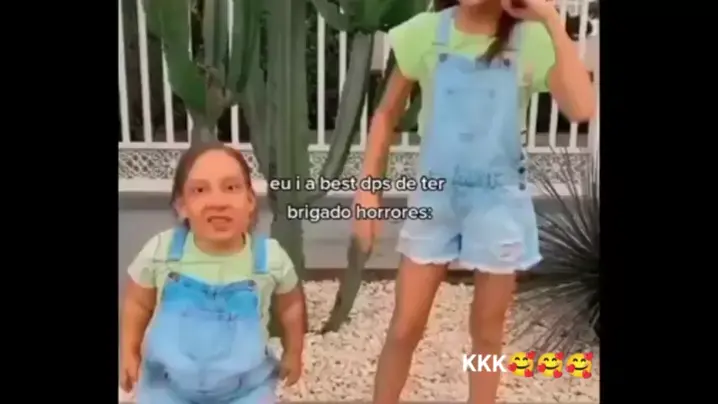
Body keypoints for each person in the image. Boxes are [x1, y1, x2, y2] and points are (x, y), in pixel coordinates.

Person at [353, 0, 595, 403]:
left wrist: (551, 20)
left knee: (487, 332)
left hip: (498, 206)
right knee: (405, 326)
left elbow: (582, 107)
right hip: (435, 200)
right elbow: (386, 114)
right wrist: (367, 193)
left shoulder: (529, 39)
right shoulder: (425, 32)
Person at [119, 142, 306, 404]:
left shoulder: (270, 258)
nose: (218, 202)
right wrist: (128, 351)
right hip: (167, 385)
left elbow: (291, 307)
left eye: (231, 187)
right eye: (200, 190)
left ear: (250, 201)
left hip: (246, 388)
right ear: (181, 206)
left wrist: (294, 352)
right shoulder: (161, 251)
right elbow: (137, 303)